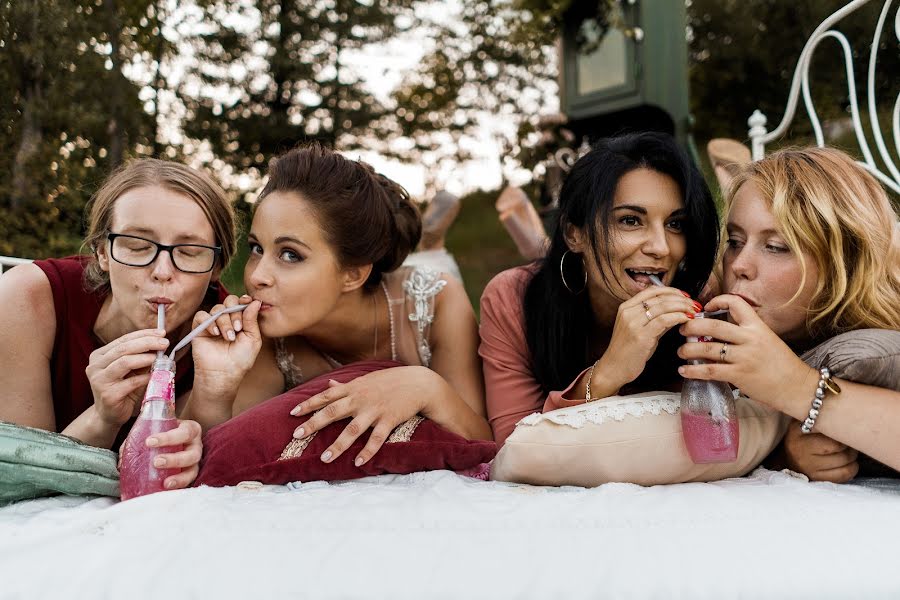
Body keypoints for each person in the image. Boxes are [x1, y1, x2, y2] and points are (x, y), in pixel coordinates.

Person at [183, 143, 491, 467]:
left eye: (290, 254)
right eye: (257, 248)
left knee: (432, 265)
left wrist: (427, 387)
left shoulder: (435, 300)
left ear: (353, 274)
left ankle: (430, 243)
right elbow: (214, 455)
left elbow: (485, 440)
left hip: (407, 284)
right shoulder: (270, 332)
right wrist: (214, 385)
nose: (256, 276)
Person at [0, 159, 237, 490]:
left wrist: (214, 392)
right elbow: (18, 482)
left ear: (216, 266)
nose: (163, 271)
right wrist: (102, 418)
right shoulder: (27, 298)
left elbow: (183, 475)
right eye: (138, 246)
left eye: (189, 251)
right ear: (103, 253)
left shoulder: (227, 335)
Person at [480, 132, 721, 445]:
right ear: (573, 233)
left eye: (675, 224)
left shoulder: (702, 303)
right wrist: (608, 373)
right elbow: (513, 447)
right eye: (631, 220)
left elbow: (721, 429)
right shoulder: (513, 299)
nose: (662, 248)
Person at [679, 147, 900, 480]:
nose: (739, 265)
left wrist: (798, 388)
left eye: (776, 246)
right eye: (735, 241)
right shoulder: (704, 316)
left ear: (844, 262)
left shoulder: (871, 350)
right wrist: (784, 456)